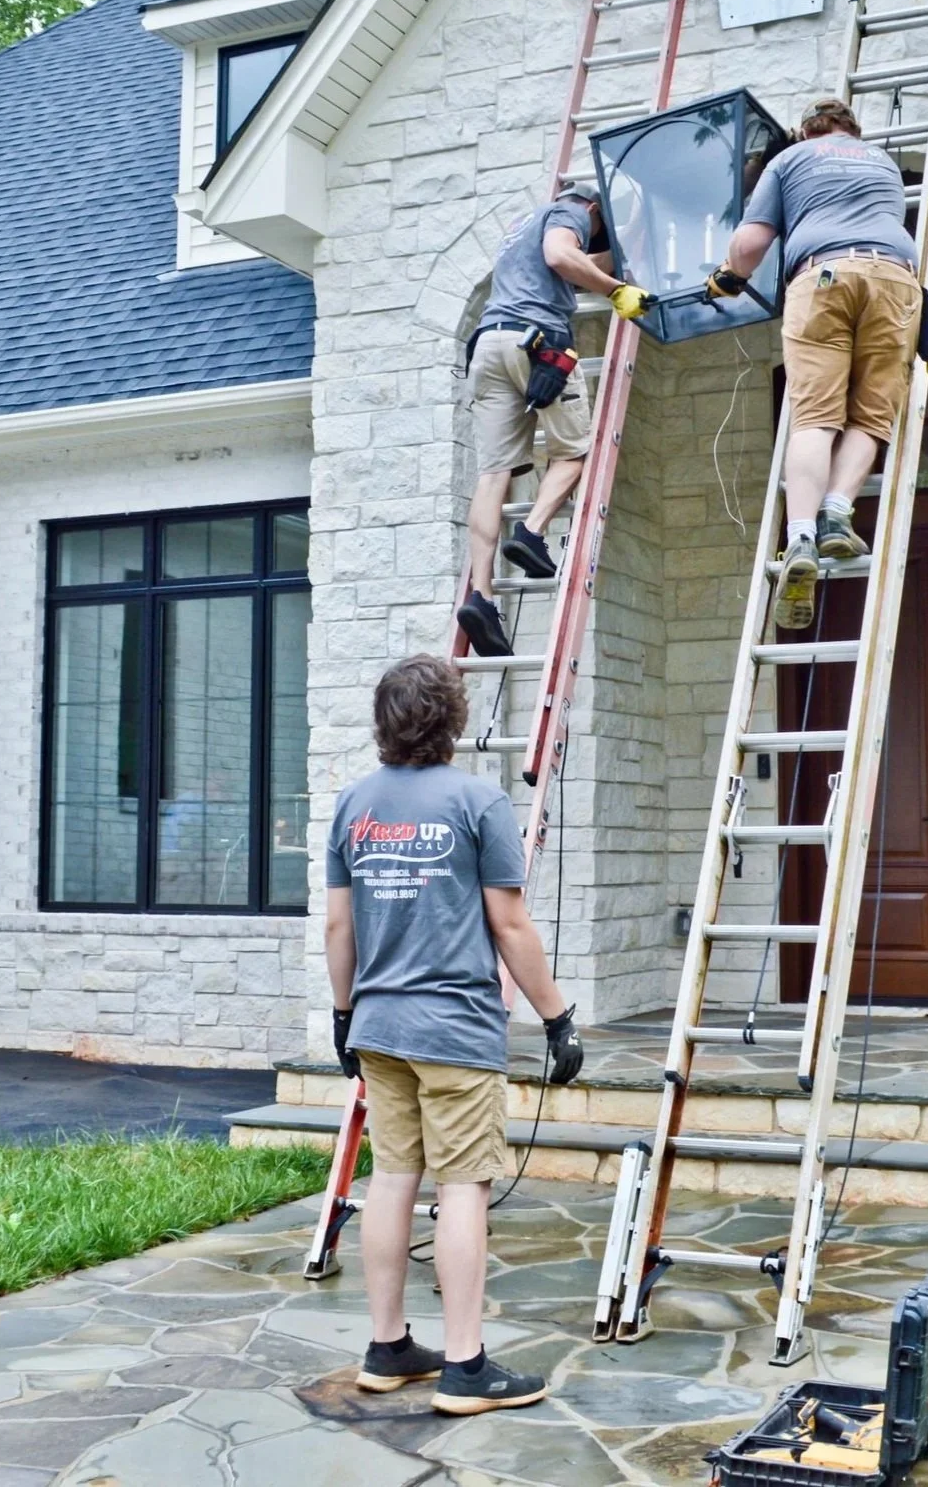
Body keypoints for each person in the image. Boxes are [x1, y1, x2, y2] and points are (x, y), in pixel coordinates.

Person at [326, 653, 585, 1414]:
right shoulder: (479, 802)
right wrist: (557, 1017)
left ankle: (387, 1346)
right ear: (453, 721)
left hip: (379, 1024)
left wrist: (345, 1015)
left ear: (385, 722)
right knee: (464, 1185)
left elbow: (340, 924)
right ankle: (466, 1368)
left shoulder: (353, 804)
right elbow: (509, 923)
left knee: (394, 1178)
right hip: (455, 1031)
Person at [707, 99, 923, 630]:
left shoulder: (791, 159)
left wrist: (728, 275)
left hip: (822, 275)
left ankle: (801, 533)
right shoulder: (883, 163)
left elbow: (752, 242)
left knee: (815, 416)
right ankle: (838, 513)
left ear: (805, 130)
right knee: (872, 416)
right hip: (895, 278)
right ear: (854, 130)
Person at [457, 184, 649, 658]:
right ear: (591, 208)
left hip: (489, 346)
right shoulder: (571, 214)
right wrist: (619, 291)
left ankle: (481, 594)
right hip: (539, 343)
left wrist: (624, 254)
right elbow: (563, 256)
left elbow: (579, 266)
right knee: (579, 450)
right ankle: (532, 532)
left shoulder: (520, 226)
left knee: (492, 476)